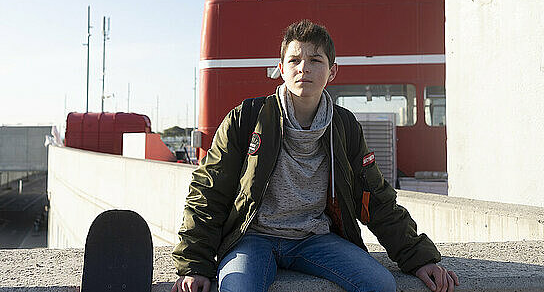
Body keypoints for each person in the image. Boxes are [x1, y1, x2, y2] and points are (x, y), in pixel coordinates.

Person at [172, 20, 459, 292]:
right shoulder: (247, 118)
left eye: (315, 60)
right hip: (253, 239)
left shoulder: (344, 126)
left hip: (316, 239)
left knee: (380, 283)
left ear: (332, 71)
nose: (303, 69)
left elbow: (376, 198)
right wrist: (194, 264)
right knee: (237, 287)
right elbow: (208, 191)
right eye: (294, 60)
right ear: (280, 69)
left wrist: (419, 258)